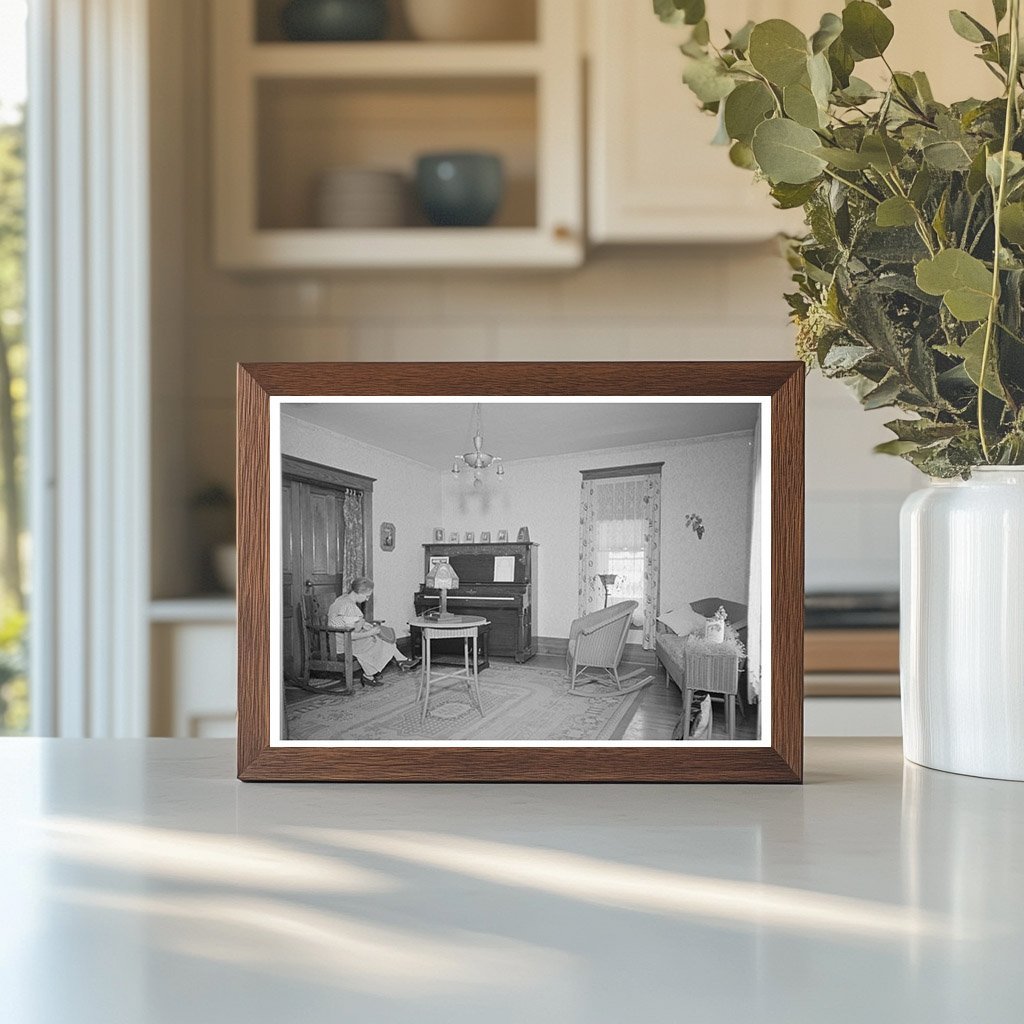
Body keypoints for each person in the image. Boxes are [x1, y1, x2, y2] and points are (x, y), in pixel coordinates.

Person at [327, 577, 408, 686]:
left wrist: (365, 625)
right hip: (343, 646)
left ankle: (397, 661)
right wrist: (371, 632)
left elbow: (345, 622)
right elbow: (350, 635)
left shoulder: (343, 599)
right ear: (359, 592)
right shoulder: (349, 607)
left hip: (337, 641)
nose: (367, 599)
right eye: (367, 596)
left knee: (378, 638)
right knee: (378, 640)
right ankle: (372, 673)